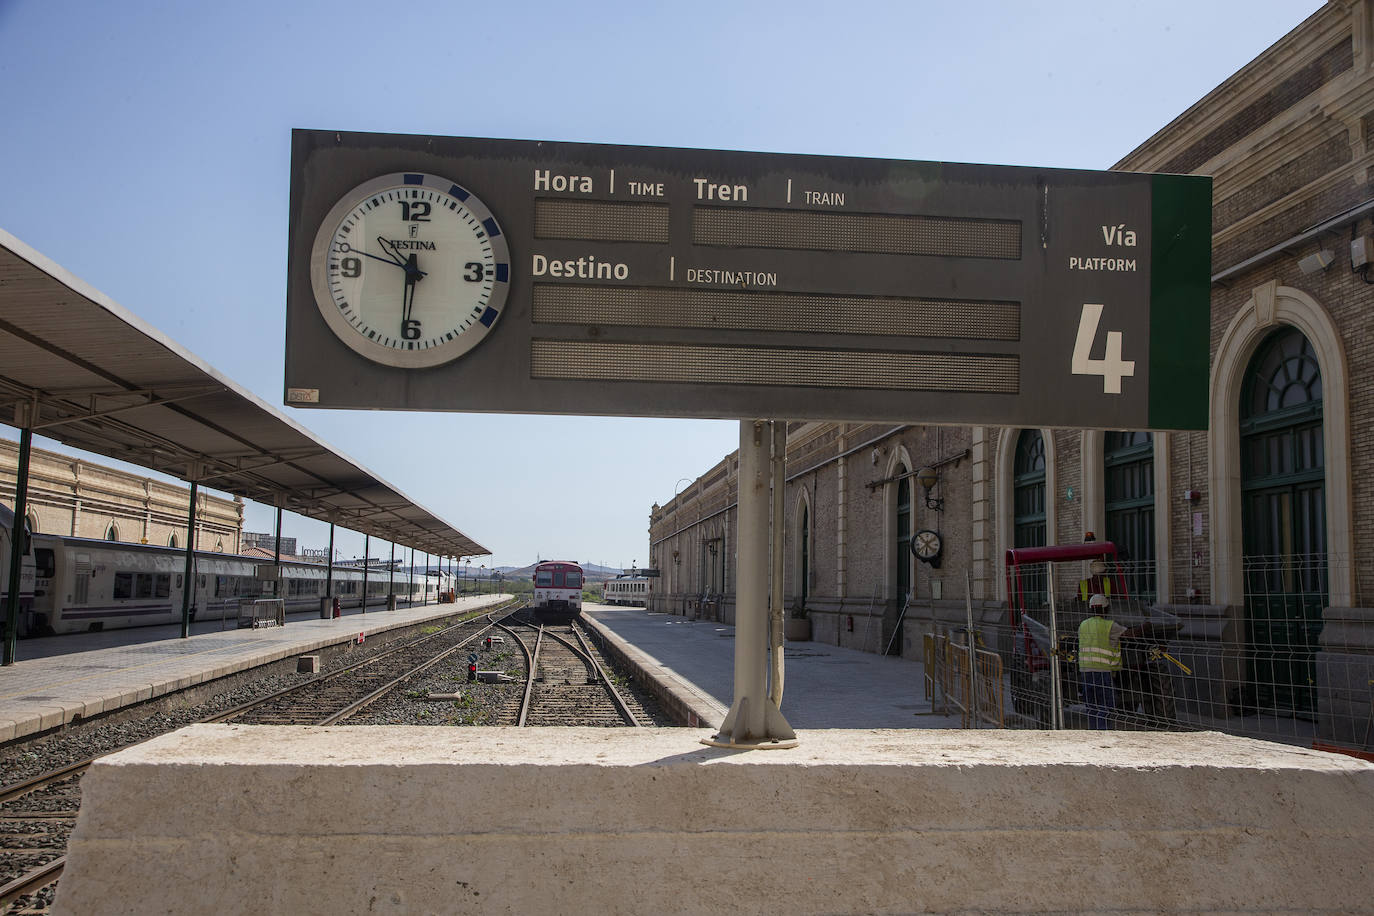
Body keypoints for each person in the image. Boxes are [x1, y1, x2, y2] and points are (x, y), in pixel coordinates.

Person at [1078, 593, 1126, 729]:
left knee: (1091, 705)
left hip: (1086, 671)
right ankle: (1103, 731)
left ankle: (1093, 731)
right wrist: (1145, 627)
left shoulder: (1083, 625)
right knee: (1106, 705)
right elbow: (1129, 634)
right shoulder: (1110, 626)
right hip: (1102, 671)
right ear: (1106, 609)